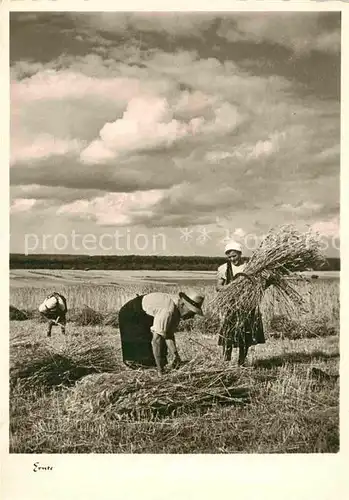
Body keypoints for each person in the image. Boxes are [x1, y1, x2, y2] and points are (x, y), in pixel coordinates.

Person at [118, 290, 205, 376]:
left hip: (146, 314)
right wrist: (160, 371)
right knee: (139, 358)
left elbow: (168, 334)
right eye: (192, 312)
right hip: (131, 314)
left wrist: (175, 356)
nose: (192, 317)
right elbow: (156, 340)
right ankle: (138, 374)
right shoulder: (168, 311)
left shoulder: (176, 310)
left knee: (156, 355)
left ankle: (154, 368)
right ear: (182, 305)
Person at [216, 240, 265, 365]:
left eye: (234, 256)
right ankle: (226, 360)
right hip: (231, 305)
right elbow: (218, 287)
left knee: (246, 332)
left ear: (240, 254)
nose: (232, 259)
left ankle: (241, 361)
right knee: (228, 332)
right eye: (229, 257)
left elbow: (257, 284)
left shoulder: (249, 267)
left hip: (247, 305)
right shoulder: (223, 268)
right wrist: (231, 287)